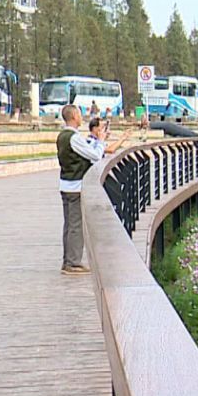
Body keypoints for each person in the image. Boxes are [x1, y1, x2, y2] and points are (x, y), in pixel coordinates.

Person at [57, 105, 131, 275]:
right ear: (74, 116)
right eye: (79, 113)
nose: (81, 116)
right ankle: (72, 263)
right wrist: (101, 141)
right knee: (76, 225)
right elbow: (95, 156)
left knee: (69, 224)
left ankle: (68, 260)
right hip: (76, 186)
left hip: (66, 185)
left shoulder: (62, 136)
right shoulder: (74, 138)